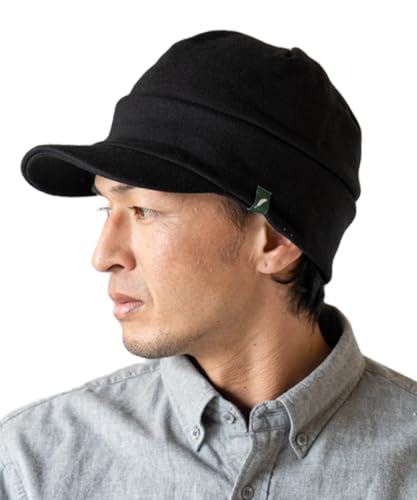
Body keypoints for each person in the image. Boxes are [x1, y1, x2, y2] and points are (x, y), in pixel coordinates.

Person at [1, 29, 416, 499]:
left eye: (144, 211)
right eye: (106, 207)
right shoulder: (33, 468)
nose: (104, 256)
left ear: (275, 240)